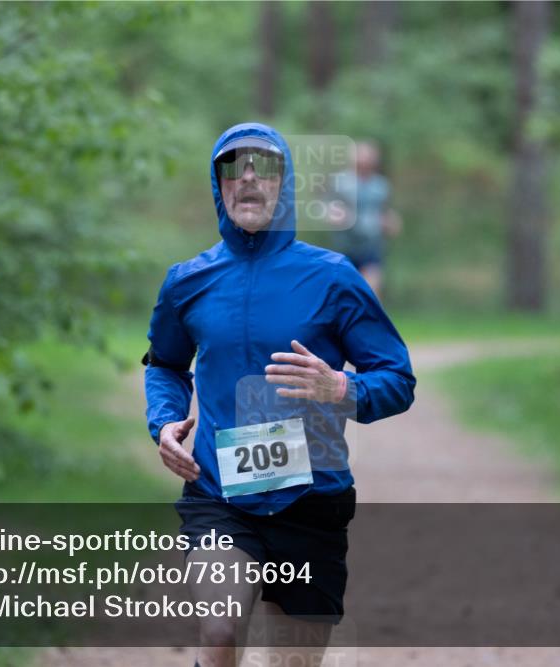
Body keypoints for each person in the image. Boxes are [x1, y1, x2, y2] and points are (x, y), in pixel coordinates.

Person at [143, 122, 416, 667]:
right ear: (217, 185)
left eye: (262, 166)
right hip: (220, 496)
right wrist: (166, 420)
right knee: (219, 632)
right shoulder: (187, 282)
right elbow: (166, 366)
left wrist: (341, 387)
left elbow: (397, 379)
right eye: (232, 167)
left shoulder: (333, 278)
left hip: (310, 500)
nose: (247, 178)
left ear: (284, 184)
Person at [325, 140, 402, 300]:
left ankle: (370, 324)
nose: (365, 161)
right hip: (345, 248)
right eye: (361, 157)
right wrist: (334, 214)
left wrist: (390, 222)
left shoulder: (381, 186)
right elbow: (327, 207)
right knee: (344, 296)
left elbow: (386, 213)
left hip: (371, 248)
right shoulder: (340, 182)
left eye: (369, 157)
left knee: (371, 296)